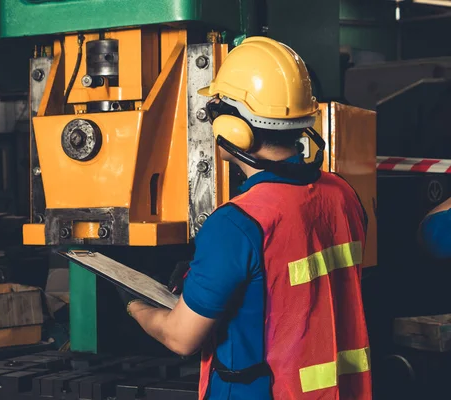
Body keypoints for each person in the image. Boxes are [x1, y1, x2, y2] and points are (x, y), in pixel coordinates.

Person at [121, 37, 372, 399]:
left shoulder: (237, 223)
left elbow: (180, 337)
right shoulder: (343, 193)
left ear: (235, 129)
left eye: (217, 110)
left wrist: (133, 304)